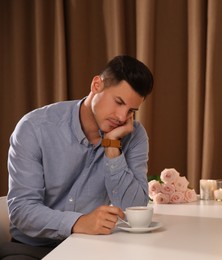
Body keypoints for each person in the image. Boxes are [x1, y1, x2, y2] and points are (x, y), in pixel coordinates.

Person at [1, 55, 154, 259]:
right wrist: (78, 222)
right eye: (118, 102)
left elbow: (134, 207)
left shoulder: (133, 135)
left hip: (91, 247)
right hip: (31, 250)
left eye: (131, 111)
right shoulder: (34, 128)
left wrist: (111, 146)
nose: (121, 117)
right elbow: (22, 210)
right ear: (96, 85)